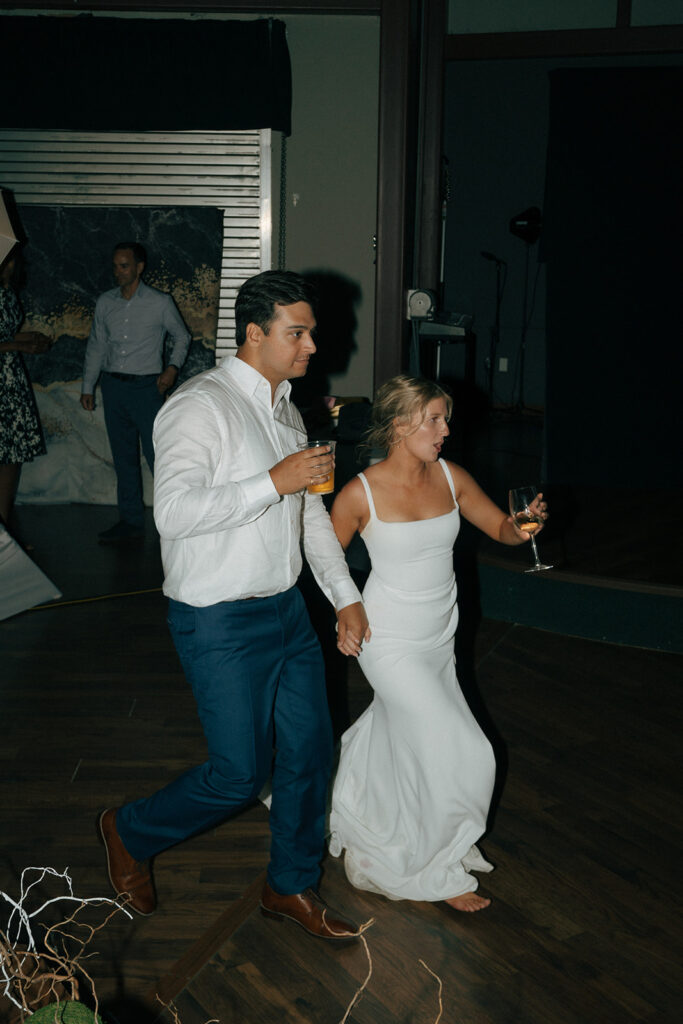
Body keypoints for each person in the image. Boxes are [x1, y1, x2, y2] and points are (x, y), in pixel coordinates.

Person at [98, 270, 370, 941]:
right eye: (296, 333)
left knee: (309, 754)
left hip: (286, 613)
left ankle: (291, 885)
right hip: (218, 620)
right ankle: (128, 829)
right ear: (254, 333)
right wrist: (269, 482)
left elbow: (310, 519)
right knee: (239, 774)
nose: (311, 346)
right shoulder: (199, 406)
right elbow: (176, 513)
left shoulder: (288, 411)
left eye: (310, 331)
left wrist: (344, 598)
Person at [328, 375, 548, 912]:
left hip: (438, 636)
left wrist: (522, 531)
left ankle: (361, 806)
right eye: (435, 418)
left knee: (406, 735)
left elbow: (498, 525)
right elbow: (324, 559)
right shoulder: (361, 491)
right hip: (389, 640)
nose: (446, 429)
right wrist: (344, 610)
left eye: (445, 418)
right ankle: (434, 868)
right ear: (401, 424)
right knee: (466, 752)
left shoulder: (451, 477)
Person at [80, 242, 190, 544]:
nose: (118, 271)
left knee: (160, 456)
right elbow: (97, 346)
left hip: (147, 388)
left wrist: (172, 368)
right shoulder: (105, 303)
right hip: (114, 386)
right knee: (123, 457)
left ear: (139, 267)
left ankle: (175, 520)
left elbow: (182, 336)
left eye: (124, 265)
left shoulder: (159, 302)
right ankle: (129, 521)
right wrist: (88, 386)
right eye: (115, 265)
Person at [0, 246, 51, 536]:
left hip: (10, 380)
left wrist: (29, 337)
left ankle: (4, 532)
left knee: (12, 454)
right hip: (3, 378)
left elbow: (5, 333)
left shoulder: (8, 292)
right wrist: (20, 346)